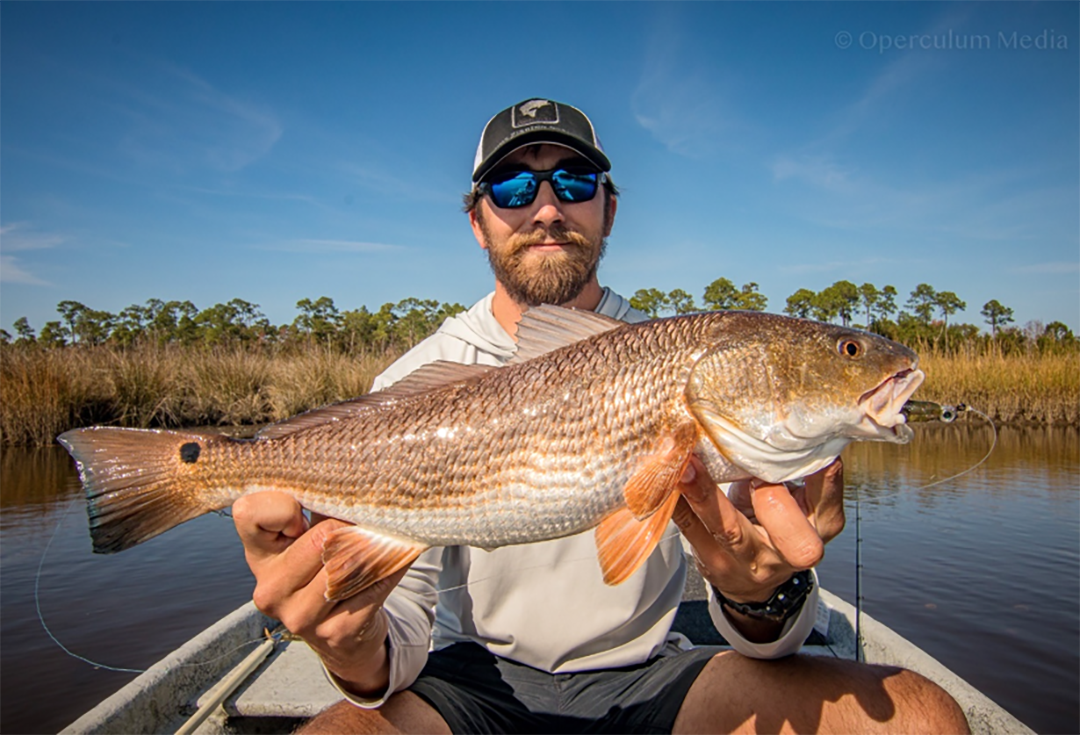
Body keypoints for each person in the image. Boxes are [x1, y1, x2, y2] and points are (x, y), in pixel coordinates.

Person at [233, 99, 969, 734]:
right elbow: (400, 640)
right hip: (467, 681)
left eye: (574, 182)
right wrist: (348, 646)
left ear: (609, 208)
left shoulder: (677, 359)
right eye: (514, 185)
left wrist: (762, 595)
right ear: (477, 220)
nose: (546, 207)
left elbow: (767, 637)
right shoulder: (409, 384)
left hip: (648, 673)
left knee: (922, 717)